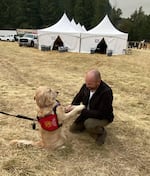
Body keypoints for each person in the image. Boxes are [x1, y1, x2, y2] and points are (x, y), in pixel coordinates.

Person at [66, 69, 114, 145]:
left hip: (102, 117)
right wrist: (72, 106)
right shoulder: (86, 86)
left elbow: (101, 113)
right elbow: (78, 98)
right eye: (86, 83)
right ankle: (89, 127)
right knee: (73, 129)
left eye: (90, 84)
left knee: (89, 124)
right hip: (87, 113)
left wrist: (81, 110)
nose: (87, 86)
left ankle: (101, 132)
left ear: (98, 83)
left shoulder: (106, 92)